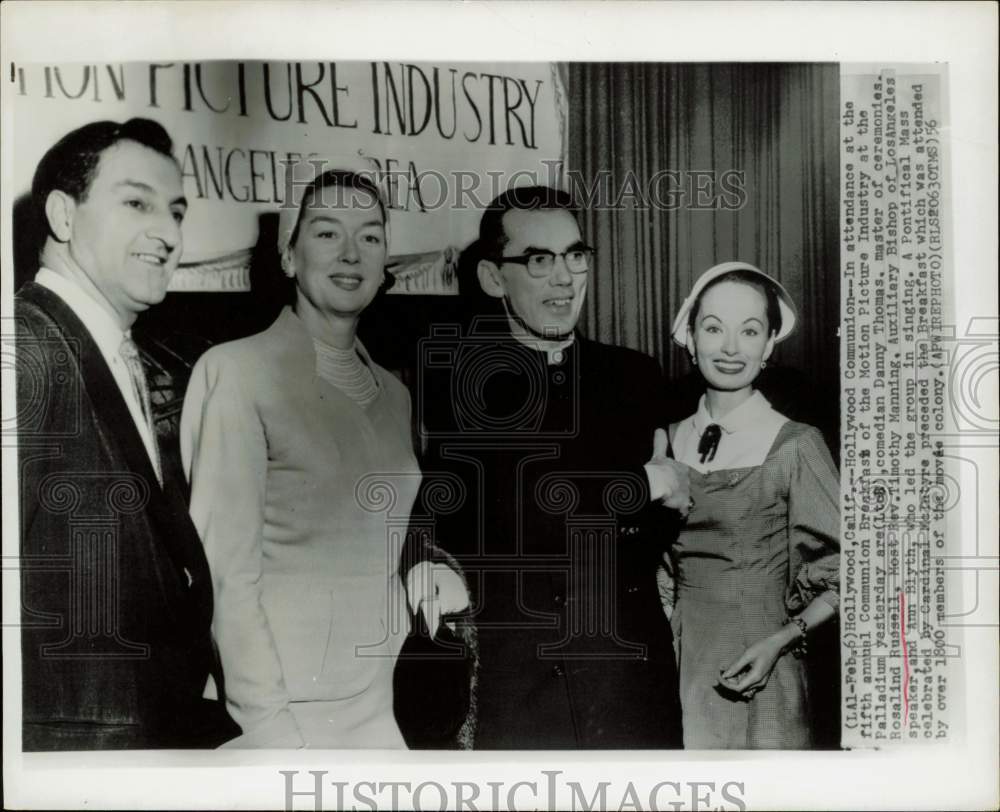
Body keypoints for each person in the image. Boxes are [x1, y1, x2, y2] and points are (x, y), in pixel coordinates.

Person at [180, 161, 468, 749]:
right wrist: (268, 726)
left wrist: (419, 563)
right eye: (326, 232)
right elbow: (224, 572)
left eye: (370, 235)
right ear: (288, 257)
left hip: (385, 700)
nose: (351, 253)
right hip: (287, 711)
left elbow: (377, 519)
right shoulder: (236, 372)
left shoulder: (392, 391)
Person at [417, 186, 689, 748]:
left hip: (629, 685)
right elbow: (519, 518)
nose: (565, 278)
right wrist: (644, 483)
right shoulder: (460, 383)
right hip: (519, 693)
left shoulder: (634, 376)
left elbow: (662, 526)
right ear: (495, 278)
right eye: (540, 260)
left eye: (576, 256)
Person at [15, 118, 238, 749]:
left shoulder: (120, 353)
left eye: (176, 212)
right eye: (136, 203)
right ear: (63, 214)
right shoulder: (26, 348)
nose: (168, 234)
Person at [665, 261, 840, 749]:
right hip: (673, 663)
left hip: (761, 666)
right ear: (690, 335)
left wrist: (780, 641)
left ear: (768, 346)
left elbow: (851, 570)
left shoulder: (797, 445)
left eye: (750, 331)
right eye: (714, 327)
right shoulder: (664, 441)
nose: (729, 347)